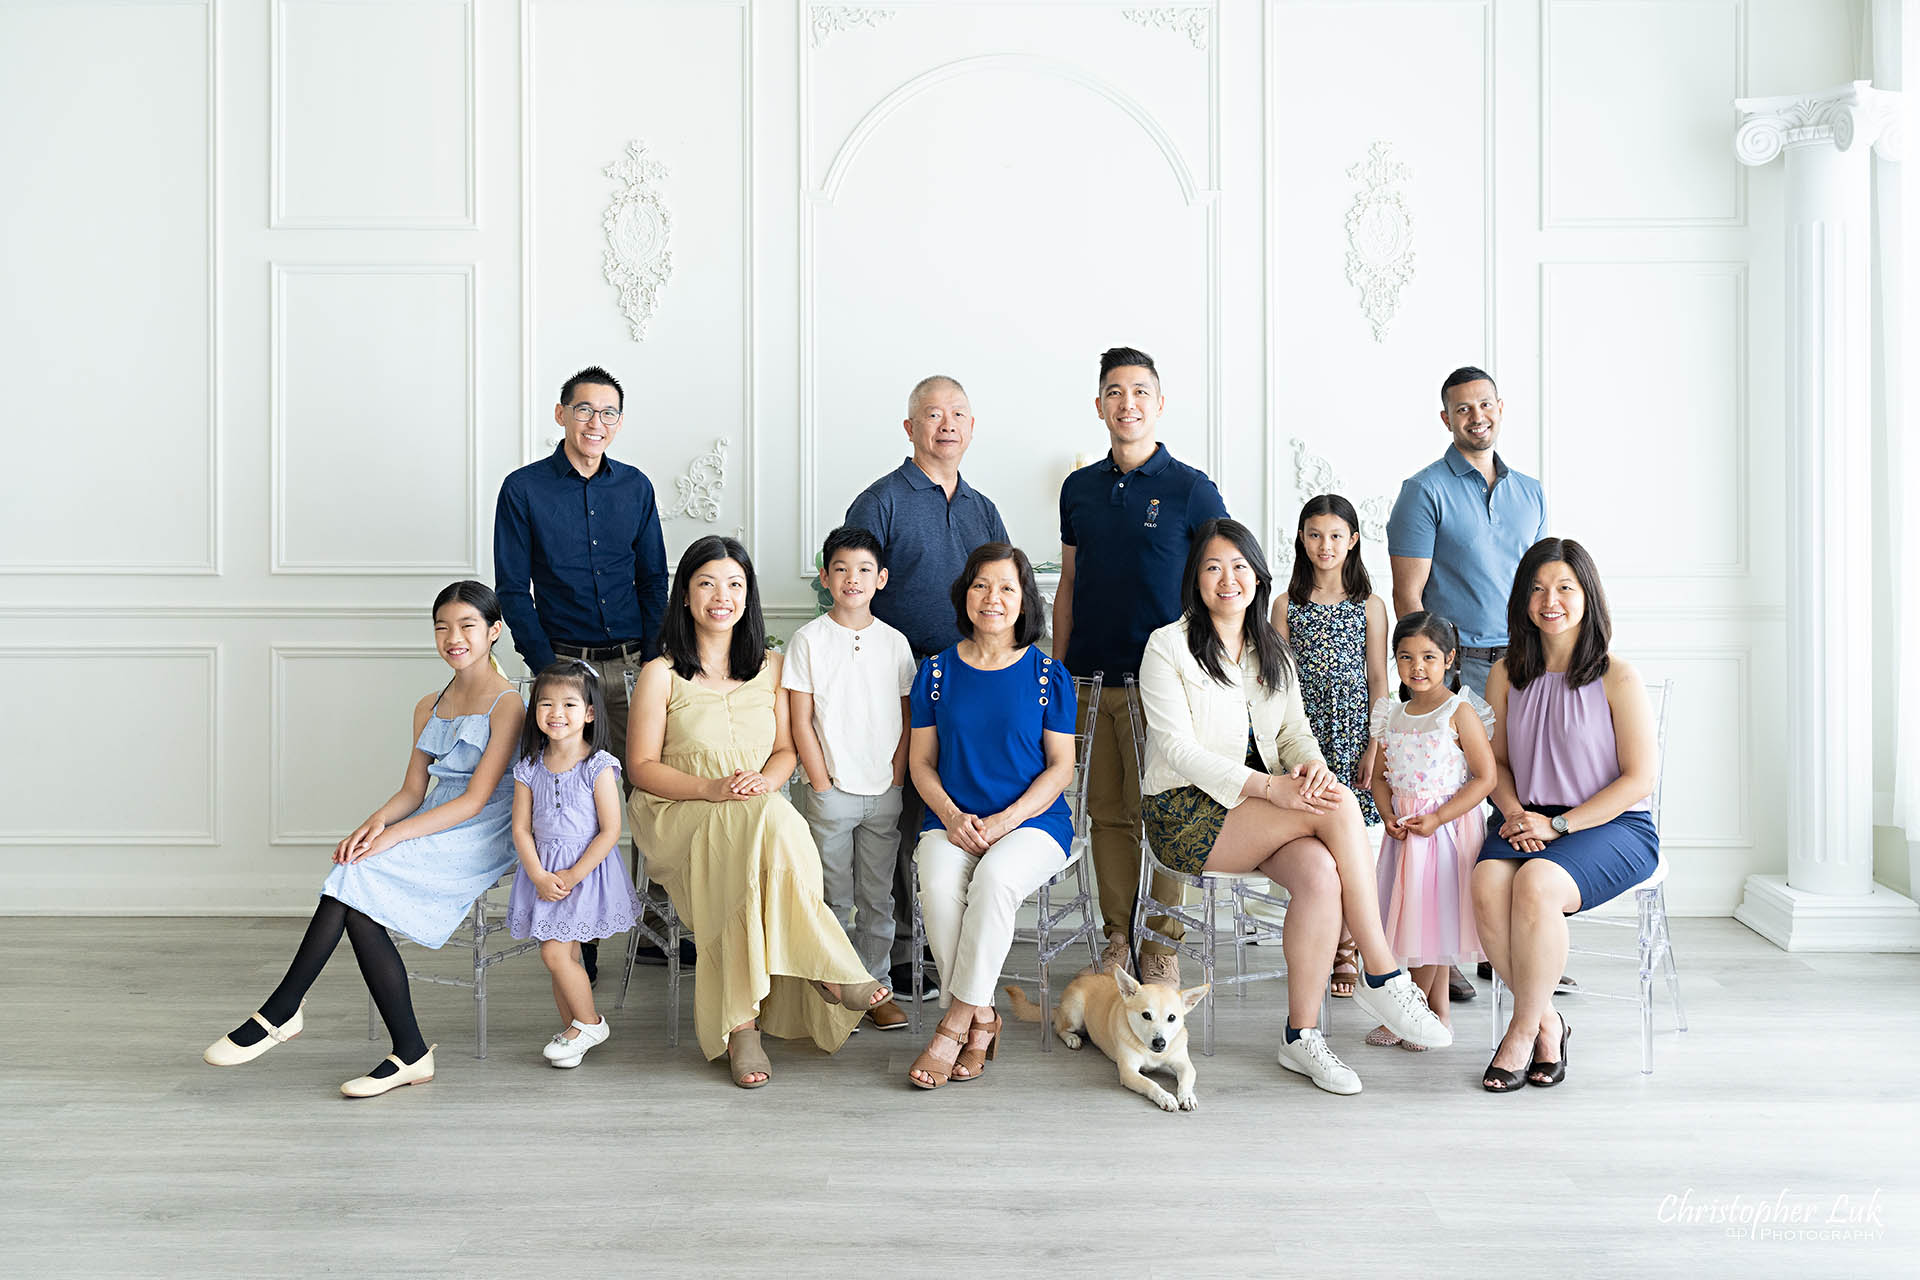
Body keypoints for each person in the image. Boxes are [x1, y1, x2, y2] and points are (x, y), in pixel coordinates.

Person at [1135, 519, 1451, 1097]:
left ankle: (1301, 1037)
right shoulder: (1168, 645)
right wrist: (1270, 788)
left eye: (1238, 567)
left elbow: (1294, 735)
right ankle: (1381, 968)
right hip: (1185, 814)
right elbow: (1177, 750)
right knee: (1334, 811)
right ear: (1195, 580)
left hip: (1261, 810)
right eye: (1212, 568)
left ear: (1257, 575)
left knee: (1320, 871)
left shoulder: (1269, 647)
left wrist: (1310, 765)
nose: (1227, 579)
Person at [203, 582, 524, 1097]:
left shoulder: (508, 704)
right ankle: (407, 1051)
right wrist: (370, 827)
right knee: (356, 875)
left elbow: (474, 799)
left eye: (467, 626)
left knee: (357, 879)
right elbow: (413, 789)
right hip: (437, 813)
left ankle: (286, 1011)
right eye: (442, 627)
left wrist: (392, 837)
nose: (453, 638)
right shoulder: (429, 704)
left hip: (486, 824)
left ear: (494, 631)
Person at [627, 536, 891, 1087]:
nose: (721, 596)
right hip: (681, 807)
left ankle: (742, 1025)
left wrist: (763, 785)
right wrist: (711, 788)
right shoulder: (660, 673)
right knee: (766, 824)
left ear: (748, 596)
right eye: (706, 583)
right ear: (684, 596)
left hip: (752, 807)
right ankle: (829, 972)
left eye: (734, 584)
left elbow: (786, 750)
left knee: (768, 823)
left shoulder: (772, 665)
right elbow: (643, 767)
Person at [1055, 346, 1229, 985]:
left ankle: (1161, 943)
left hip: (1171, 688)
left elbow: (1226, 580)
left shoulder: (1191, 488)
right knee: (1108, 813)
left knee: (1169, 813)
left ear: (1158, 403)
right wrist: (1059, 670)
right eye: (1114, 392)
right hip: (1094, 680)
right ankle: (1116, 938)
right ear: (1099, 405)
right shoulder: (1079, 489)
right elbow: (1069, 583)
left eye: (1139, 392)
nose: (1127, 404)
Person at [494, 364, 670, 983]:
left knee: (647, 792)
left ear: (618, 423)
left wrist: (653, 660)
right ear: (561, 414)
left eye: (609, 413)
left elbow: (654, 579)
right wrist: (551, 675)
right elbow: (514, 590)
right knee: (566, 808)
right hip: (562, 665)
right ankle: (577, 941)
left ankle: (656, 926)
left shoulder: (637, 488)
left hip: (632, 664)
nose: (596, 422)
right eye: (585, 410)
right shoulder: (523, 490)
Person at [846, 374, 1010, 1001]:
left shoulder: (982, 508)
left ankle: (948, 945)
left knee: (952, 805)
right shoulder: (881, 501)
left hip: (968, 680)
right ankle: (896, 954)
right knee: (899, 811)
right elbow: (850, 591)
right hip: (893, 679)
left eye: (959, 414)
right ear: (909, 427)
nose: (947, 424)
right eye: (933, 414)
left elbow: (1003, 595)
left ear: (971, 428)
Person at [1473, 538, 1659, 1092]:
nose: (1548, 600)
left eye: (1563, 588)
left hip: (1611, 824)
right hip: (1524, 815)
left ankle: (1523, 1029)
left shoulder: (1616, 676)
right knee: (1486, 883)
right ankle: (1550, 1021)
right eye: (1536, 588)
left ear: (1587, 596)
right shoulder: (1507, 674)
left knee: (1536, 885)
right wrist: (1512, 812)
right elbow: (1498, 763)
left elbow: (1639, 779)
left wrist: (1557, 825)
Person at [1386, 365, 1546, 1000]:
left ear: (1501, 408)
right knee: (1459, 804)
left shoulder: (1530, 491)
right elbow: (1408, 593)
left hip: (1526, 664)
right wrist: (1431, 680)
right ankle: (1443, 949)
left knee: (1523, 789)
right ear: (1445, 418)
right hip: (1461, 667)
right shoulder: (1422, 490)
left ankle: (1517, 941)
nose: (1476, 416)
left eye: (1485, 405)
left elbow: (1540, 581)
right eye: (1461, 408)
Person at [905, 544, 1077, 1089]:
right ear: (965, 594)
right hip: (952, 818)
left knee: (997, 877)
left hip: (1034, 822)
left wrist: (1004, 824)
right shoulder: (934, 672)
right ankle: (984, 1016)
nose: (993, 598)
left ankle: (956, 1022)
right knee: (933, 880)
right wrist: (954, 816)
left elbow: (1060, 769)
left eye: (1006, 587)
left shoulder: (1049, 675)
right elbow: (921, 764)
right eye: (981, 585)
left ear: (1024, 599)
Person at [783, 525, 918, 1031]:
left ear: (881, 578)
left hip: (885, 792)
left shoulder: (894, 643)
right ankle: (838, 991)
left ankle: (876, 987)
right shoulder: (809, 641)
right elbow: (800, 719)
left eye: (864, 569)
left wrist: (896, 779)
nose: (852, 579)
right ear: (825, 577)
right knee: (833, 899)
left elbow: (908, 719)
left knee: (878, 899)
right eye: (840, 568)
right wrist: (820, 784)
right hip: (831, 793)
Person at [1273, 493, 1388, 998]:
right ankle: (1329, 946)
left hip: (1351, 736)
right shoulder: (1285, 605)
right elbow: (1276, 685)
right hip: (1304, 737)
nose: (1325, 546)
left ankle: (1348, 947)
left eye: (1336, 536)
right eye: (1315, 535)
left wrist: (1373, 743)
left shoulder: (1369, 605)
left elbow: (1381, 681)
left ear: (1353, 541)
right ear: (1301, 537)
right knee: (1318, 843)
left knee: (1354, 843)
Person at [1365, 612, 1495, 1050]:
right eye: (1405, 657)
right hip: (1405, 833)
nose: (1416, 667)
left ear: (1450, 659)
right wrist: (1387, 816)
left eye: (1428, 657)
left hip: (1445, 833)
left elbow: (1485, 777)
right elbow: (1381, 778)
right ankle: (1431, 1013)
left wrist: (1438, 818)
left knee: (1431, 920)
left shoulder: (1458, 711)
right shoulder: (1393, 714)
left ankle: (1419, 1012)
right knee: (1419, 927)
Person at [506, 660, 644, 1068]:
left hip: (584, 874)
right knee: (558, 957)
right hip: (543, 871)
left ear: (588, 714)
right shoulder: (529, 766)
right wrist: (536, 873)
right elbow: (521, 829)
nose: (556, 713)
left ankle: (589, 1022)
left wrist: (572, 874)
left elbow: (609, 830)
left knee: (555, 954)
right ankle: (572, 1032)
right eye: (546, 704)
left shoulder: (597, 765)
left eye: (568, 704)